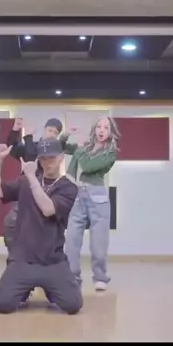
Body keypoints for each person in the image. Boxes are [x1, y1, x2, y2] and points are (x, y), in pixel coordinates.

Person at [0, 137, 83, 315]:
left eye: (52, 158)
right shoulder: (25, 182)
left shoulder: (68, 187)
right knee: (3, 304)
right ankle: (26, 286)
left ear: (61, 158)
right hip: (23, 260)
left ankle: (50, 288)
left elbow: (48, 209)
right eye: (43, 158)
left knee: (73, 305)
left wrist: (31, 177)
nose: (47, 163)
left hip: (52, 261)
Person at [64, 116, 121, 292]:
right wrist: (66, 134)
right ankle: (72, 277)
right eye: (98, 127)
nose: (101, 130)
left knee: (99, 242)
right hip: (78, 195)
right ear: (94, 130)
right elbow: (62, 146)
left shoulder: (111, 153)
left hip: (98, 197)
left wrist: (79, 148)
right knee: (71, 239)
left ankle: (100, 277)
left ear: (111, 132)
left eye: (106, 127)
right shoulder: (86, 147)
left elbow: (88, 166)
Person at [3, 117, 77, 249]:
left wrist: (66, 135)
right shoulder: (32, 145)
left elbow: (60, 145)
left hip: (46, 195)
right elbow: (14, 148)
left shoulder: (55, 150)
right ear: (44, 130)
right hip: (26, 192)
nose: (52, 134)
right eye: (50, 130)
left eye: (55, 132)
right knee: (12, 222)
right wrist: (15, 130)